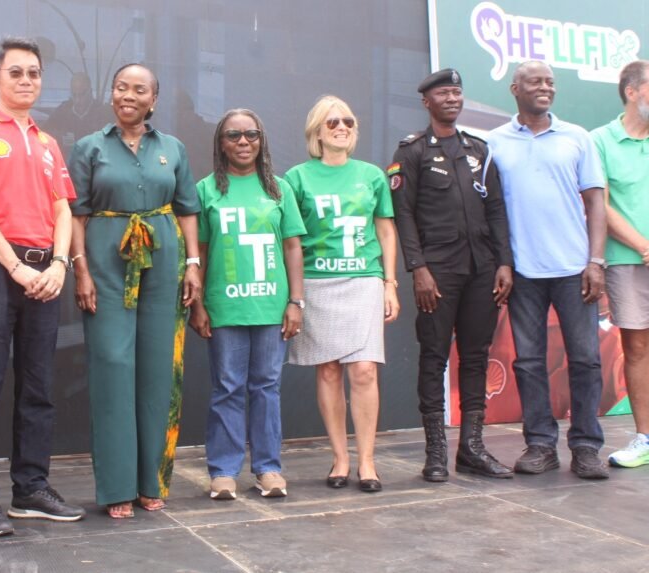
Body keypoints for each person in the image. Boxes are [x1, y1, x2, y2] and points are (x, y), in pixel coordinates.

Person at [0, 36, 84, 537]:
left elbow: (62, 208)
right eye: (16, 72)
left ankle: (30, 489)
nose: (26, 81)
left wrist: (59, 266)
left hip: (44, 271)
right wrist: (15, 265)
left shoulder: (47, 142)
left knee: (39, 386)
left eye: (34, 73)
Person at [68, 63, 202, 519]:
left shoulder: (174, 148)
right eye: (121, 87)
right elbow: (76, 214)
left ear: (154, 99)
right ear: (112, 95)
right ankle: (117, 487)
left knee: (157, 368)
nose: (128, 95)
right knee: (112, 365)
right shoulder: (89, 148)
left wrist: (194, 265)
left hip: (164, 259)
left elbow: (187, 210)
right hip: (106, 259)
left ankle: (151, 481)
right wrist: (80, 269)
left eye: (139, 89)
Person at [388, 68, 515, 482]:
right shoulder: (412, 151)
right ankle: (436, 452)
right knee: (434, 357)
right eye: (444, 93)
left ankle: (472, 449)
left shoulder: (479, 149)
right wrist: (417, 269)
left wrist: (504, 263)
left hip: (482, 270)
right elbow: (402, 215)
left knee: (476, 357)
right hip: (437, 274)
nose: (453, 98)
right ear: (427, 101)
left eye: (457, 92)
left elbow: (496, 210)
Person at [486, 61, 609, 479]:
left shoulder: (577, 138)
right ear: (514, 88)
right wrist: (502, 263)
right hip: (522, 272)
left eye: (550, 83)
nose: (545, 88)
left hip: (574, 268)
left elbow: (595, 203)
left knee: (587, 360)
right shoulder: (495, 142)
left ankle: (587, 446)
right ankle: (540, 445)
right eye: (536, 82)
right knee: (529, 362)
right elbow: (491, 209)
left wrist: (595, 261)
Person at [284, 95, 400, 493]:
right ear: (317, 131)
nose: (341, 127)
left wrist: (390, 282)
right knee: (329, 369)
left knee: (364, 370)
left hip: (363, 280)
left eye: (348, 121)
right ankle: (340, 457)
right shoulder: (296, 178)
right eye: (332, 122)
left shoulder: (371, 175)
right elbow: (292, 239)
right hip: (317, 283)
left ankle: (367, 460)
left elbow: (385, 229)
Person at [189, 109, 305, 500]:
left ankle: (268, 468)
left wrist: (295, 301)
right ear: (220, 142)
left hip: (271, 308)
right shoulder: (206, 190)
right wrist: (199, 304)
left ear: (262, 140)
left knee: (267, 387)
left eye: (251, 134)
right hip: (225, 307)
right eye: (233, 135)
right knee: (227, 387)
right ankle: (223, 471)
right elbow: (199, 251)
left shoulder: (278, 188)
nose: (243, 142)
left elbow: (292, 246)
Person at [591, 60, 649, 468]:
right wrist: (645, 246)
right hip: (626, 261)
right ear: (632, 92)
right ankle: (645, 438)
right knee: (638, 347)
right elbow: (601, 206)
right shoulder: (600, 140)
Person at [43, 71, 112, 152]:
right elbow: (44, 133)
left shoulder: (103, 113)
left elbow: (111, 141)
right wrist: (61, 137)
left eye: (82, 95)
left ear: (90, 92)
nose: (77, 100)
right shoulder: (63, 111)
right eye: (74, 95)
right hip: (68, 161)